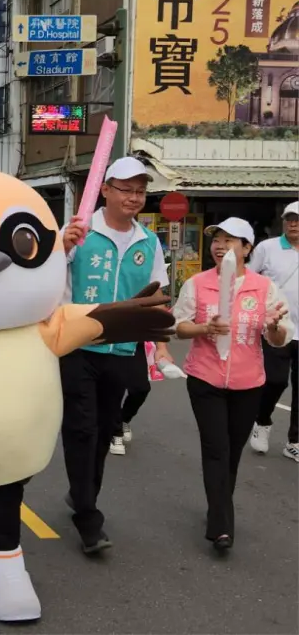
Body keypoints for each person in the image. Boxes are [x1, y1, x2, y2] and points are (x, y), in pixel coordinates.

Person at [58, 157, 175, 553]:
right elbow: (48, 279)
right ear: (105, 189)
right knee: (81, 428)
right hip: (78, 345)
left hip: (122, 350)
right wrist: (62, 248)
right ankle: (88, 517)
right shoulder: (78, 233)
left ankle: (83, 493)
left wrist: (160, 342)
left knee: (106, 429)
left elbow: (158, 293)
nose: (134, 197)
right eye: (126, 189)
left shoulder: (148, 241)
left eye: (141, 191)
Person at [172, 218, 292, 550]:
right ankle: (221, 525)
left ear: (247, 248)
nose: (220, 245)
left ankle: (218, 506)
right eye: (216, 239)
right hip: (204, 378)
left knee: (232, 454)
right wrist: (202, 329)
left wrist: (273, 327)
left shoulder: (263, 287)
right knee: (216, 449)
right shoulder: (197, 283)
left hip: (248, 382)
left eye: (230, 240)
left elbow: (281, 338)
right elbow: (178, 325)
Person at [248, 201, 299, 461]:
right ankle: (262, 419)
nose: (293, 224)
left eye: (298, 219)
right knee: (275, 381)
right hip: (275, 328)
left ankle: (295, 441)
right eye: (289, 219)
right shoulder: (267, 248)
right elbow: (248, 279)